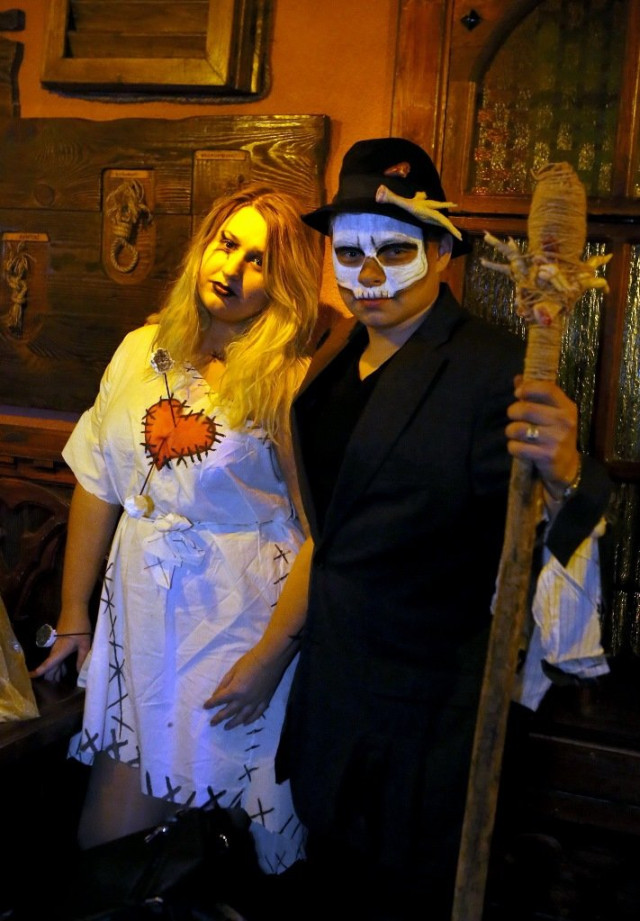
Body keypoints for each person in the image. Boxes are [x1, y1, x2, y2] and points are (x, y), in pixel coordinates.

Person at [205, 139, 612, 920]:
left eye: (393, 251)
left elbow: (546, 525)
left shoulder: (493, 369)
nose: (367, 274)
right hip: (332, 708)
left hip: (429, 727)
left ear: (440, 252)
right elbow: (331, 532)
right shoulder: (332, 361)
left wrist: (565, 473)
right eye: (348, 252)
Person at [29, 184, 321, 882]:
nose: (233, 267)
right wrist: (74, 614)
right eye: (227, 243)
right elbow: (98, 480)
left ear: (282, 282)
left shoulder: (287, 378)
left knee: (211, 844)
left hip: (235, 628)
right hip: (141, 618)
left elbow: (321, 534)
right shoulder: (140, 349)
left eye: (259, 260)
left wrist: (270, 659)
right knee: (110, 845)